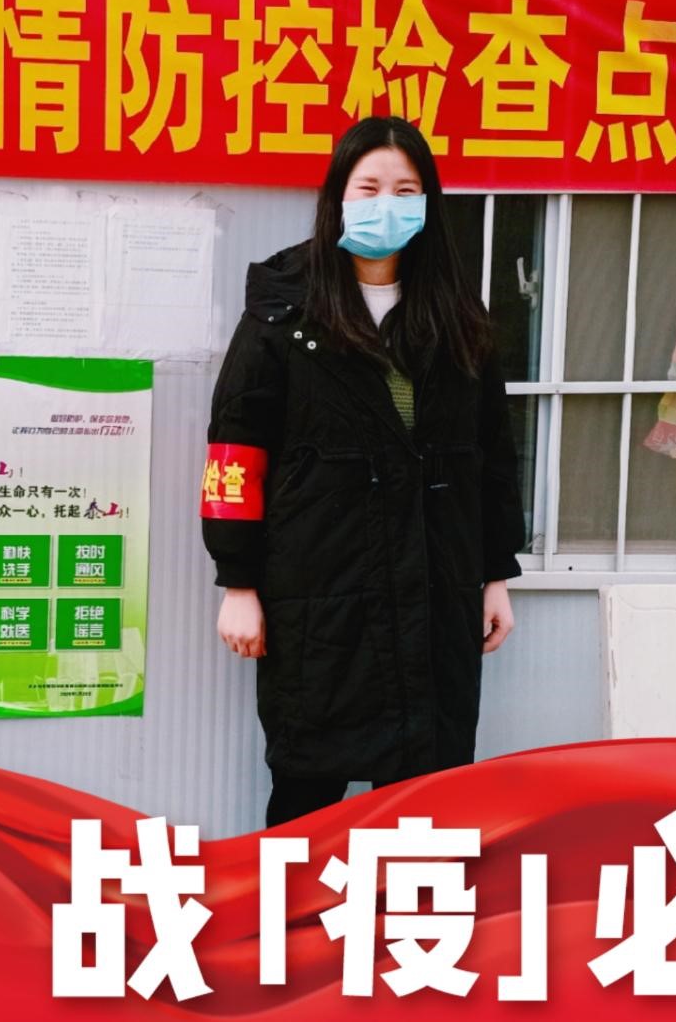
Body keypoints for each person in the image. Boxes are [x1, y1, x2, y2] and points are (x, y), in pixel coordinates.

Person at [200, 117, 526, 827]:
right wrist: (238, 582)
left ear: (428, 202)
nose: (387, 204)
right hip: (319, 590)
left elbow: (490, 454)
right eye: (369, 187)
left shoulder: (456, 314)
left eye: (405, 191)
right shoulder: (284, 311)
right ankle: (290, 901)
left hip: (435, 586)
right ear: (338, 198)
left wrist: (494, 573)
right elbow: (234, 452)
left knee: (424, 792)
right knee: (306, 787)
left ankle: (407, 903)